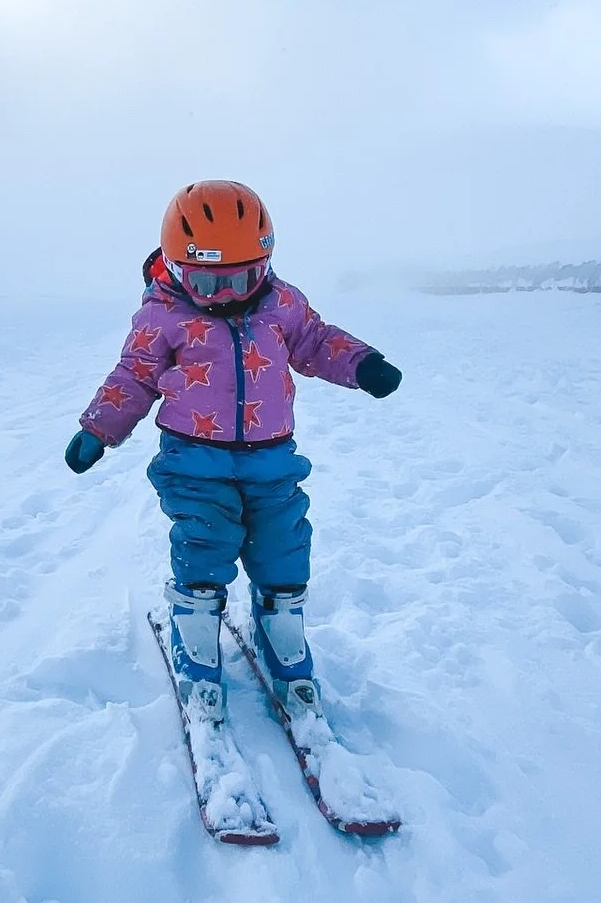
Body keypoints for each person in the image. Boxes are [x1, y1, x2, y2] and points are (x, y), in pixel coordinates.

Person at [65, 179, 401, 713]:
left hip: (272, 459)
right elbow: (134, 375)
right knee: (206, 539)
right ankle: (196, 625)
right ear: (175, 266)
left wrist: (362, 364)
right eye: (206, 281)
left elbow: (316, 341)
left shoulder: (281, 303)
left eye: (242, 278)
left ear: (264, 263)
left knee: (283, 544)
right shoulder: (162, 315)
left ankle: (280, 624)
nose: (225, 295)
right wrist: (98, 429)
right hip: (193, 461)